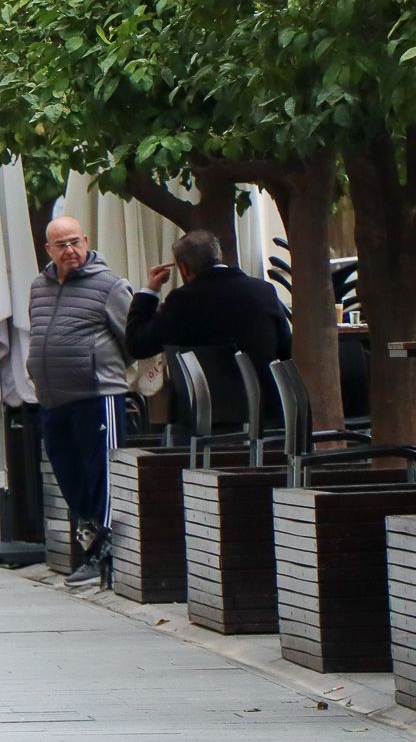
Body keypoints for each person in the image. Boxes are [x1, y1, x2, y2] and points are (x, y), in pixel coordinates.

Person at [27, 215, 134, 588]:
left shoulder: (110, 286)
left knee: (101, 474)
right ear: (48, 249)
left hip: (97, 395)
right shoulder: (38, 286)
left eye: (75, 241)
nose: (70, 250)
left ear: (86, 240)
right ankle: (91, 541)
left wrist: (100, 367)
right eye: (62, 244)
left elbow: (131, 341)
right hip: (54, 399)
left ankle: (104, 555)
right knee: (69, 474)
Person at [126, 229, 292, 403]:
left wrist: (150, 291)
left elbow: (137, 344)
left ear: (183, 268)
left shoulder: (182, 301)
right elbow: (286, 350)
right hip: (267, 409)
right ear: (218, 255)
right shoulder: (264, 291)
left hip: (206, 415)